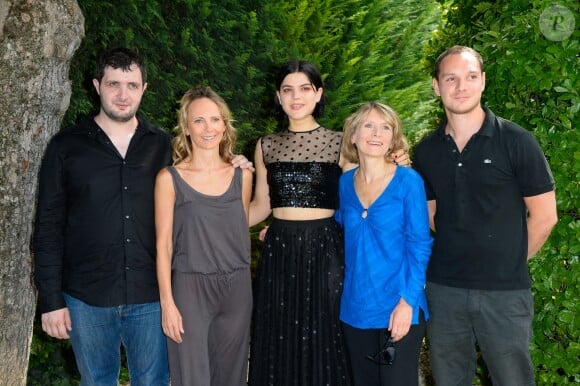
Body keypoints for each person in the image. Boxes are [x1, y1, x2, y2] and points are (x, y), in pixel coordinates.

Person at [33, 48, 252, 386]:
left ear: (144, 89)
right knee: (97, 381)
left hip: (151, 299)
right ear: (96, 85)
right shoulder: (66, 147)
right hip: (87, 298)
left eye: (132, 85)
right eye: (114, 84)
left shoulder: (163, 146)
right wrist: (50, 301)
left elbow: (205, 176)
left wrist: (236, 162)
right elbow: (48, 227)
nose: (123, 95)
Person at [247, 60, 409, 386]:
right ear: (278, 96)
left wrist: (397, 162)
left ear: (318, 94)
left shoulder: (341, 144)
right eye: (288, 90)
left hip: (326, 250)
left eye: (305, 89)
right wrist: (212, 216)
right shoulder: (266, 145)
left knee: (327, 336)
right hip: (279, 249)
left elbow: (365, 196)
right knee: (280, 335)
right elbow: (261, 205)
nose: (296, 97)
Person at [413, 45, 558, 385]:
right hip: (444, 290)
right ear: (436, 86)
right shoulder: (427, 151)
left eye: (470, 77)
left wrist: (510, 262)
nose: (461, 86)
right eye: (451, 78)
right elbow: (433, 216)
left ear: (483, 82)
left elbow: (545, 215)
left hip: (504, 294)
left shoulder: (516, 141)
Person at [155, 86, 253, 386]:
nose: (208, 128)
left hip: (237, 287)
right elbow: (163, 246)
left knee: (232, 376)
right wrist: (167, 304)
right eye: (198, 121)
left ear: (225, 124)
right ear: (186, 127)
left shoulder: (243, 175)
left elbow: (241, 223)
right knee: (191, 378)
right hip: (190, 289)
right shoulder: (169, 179)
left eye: (215, 119)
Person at [335, 102, 432, 386]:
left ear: (393, 138)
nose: (376, 133)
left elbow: (420, 245)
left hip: (399, 307)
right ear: (353, 135)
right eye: (368, 125)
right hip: (355, 308)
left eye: (385, 127)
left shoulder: (408, 182)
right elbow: (334, 227)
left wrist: (407, 303)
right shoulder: (343, 184)